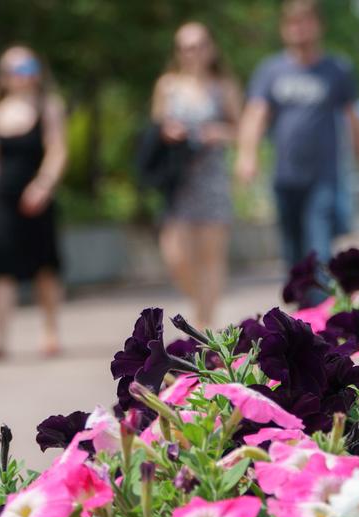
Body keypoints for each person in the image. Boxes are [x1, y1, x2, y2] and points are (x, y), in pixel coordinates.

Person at [236, 0, 359, 274]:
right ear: (283, 29)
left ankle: (321, 313)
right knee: (293, 259)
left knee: (318, 253)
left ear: (318, 26)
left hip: (323, 179)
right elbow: (255, 114)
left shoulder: (336, 70)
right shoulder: (271, 71)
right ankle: (299, 316)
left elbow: (355, 122)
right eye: (292, 22)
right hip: (285, 178)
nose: (299, 28)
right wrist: (247, 155)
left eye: (305, 21)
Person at [0, 46, 67, 360]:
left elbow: (57, 150)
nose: (21, 76)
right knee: (1, 267)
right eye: (14, 69)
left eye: (27, 67)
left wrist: (43, 185)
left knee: (45, 267)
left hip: (38, 197)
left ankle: (50, 332)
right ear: (3, 76)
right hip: (3, 199)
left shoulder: (48, 106)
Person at [151, 22, 243, 329]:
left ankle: (205, 323)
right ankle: (201, 305)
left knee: (211, 258)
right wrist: (168, 131)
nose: (194, 52)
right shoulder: (168, 86)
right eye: (187, 47)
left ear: (211, 48)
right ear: (178, 52)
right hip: (178, 182)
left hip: (212, 180)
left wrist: (219, 133)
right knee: (175, 256)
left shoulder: (223, 86)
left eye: (200, 44)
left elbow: (242, 130)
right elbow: (154, 131)